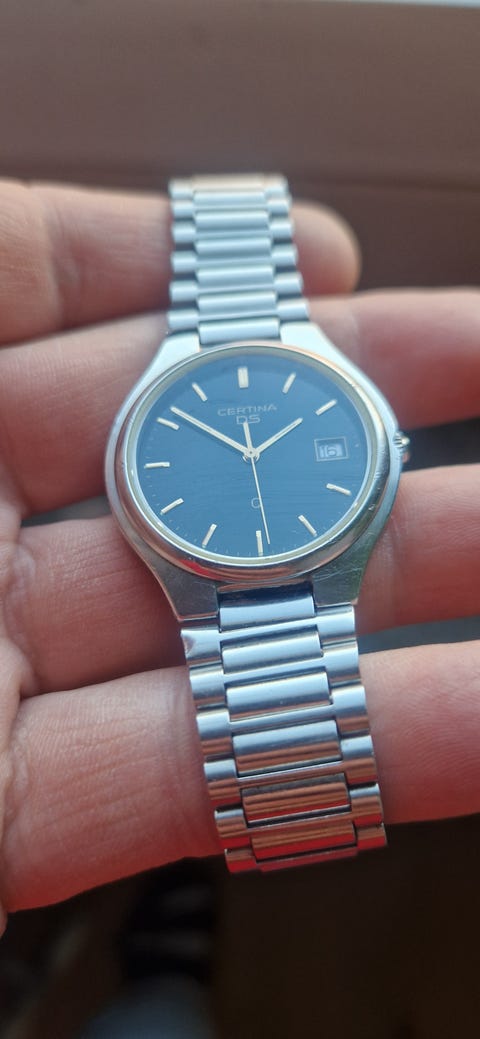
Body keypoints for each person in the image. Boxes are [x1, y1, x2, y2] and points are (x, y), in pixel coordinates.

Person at [0, 179, 478, 935]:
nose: (252, 449)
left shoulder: (306, 395)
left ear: (386, 448)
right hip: (201, 576)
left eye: (260, 442)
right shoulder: (157, 431)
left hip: (299, 563)